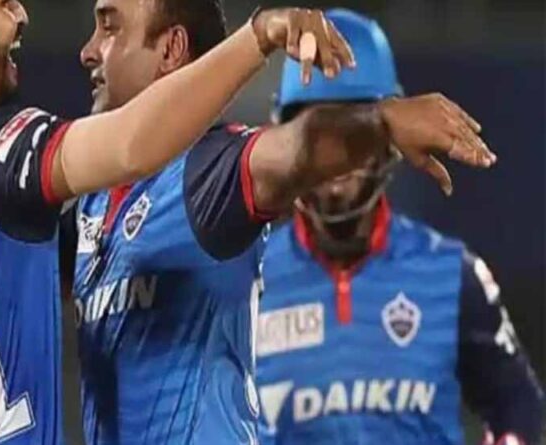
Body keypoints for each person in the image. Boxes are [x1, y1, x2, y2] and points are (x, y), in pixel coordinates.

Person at [0, 0, 355, 443]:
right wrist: (257, 37)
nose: (21, 13)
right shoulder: (0, 157)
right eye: (2, 3)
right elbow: (131, 144)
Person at [67, 1, 494, 444]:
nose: (88, 51)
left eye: (109, 29)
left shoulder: (205, 173)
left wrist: (382, 123)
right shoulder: (92, 203)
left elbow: (297, 149)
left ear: (171, 49)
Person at [254, 9, 544, 445]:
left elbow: (515, 403)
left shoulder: (451, 274)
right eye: (317, 139)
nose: (336, 163)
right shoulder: (245, 283)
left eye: (353, 136)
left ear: (391, 139)